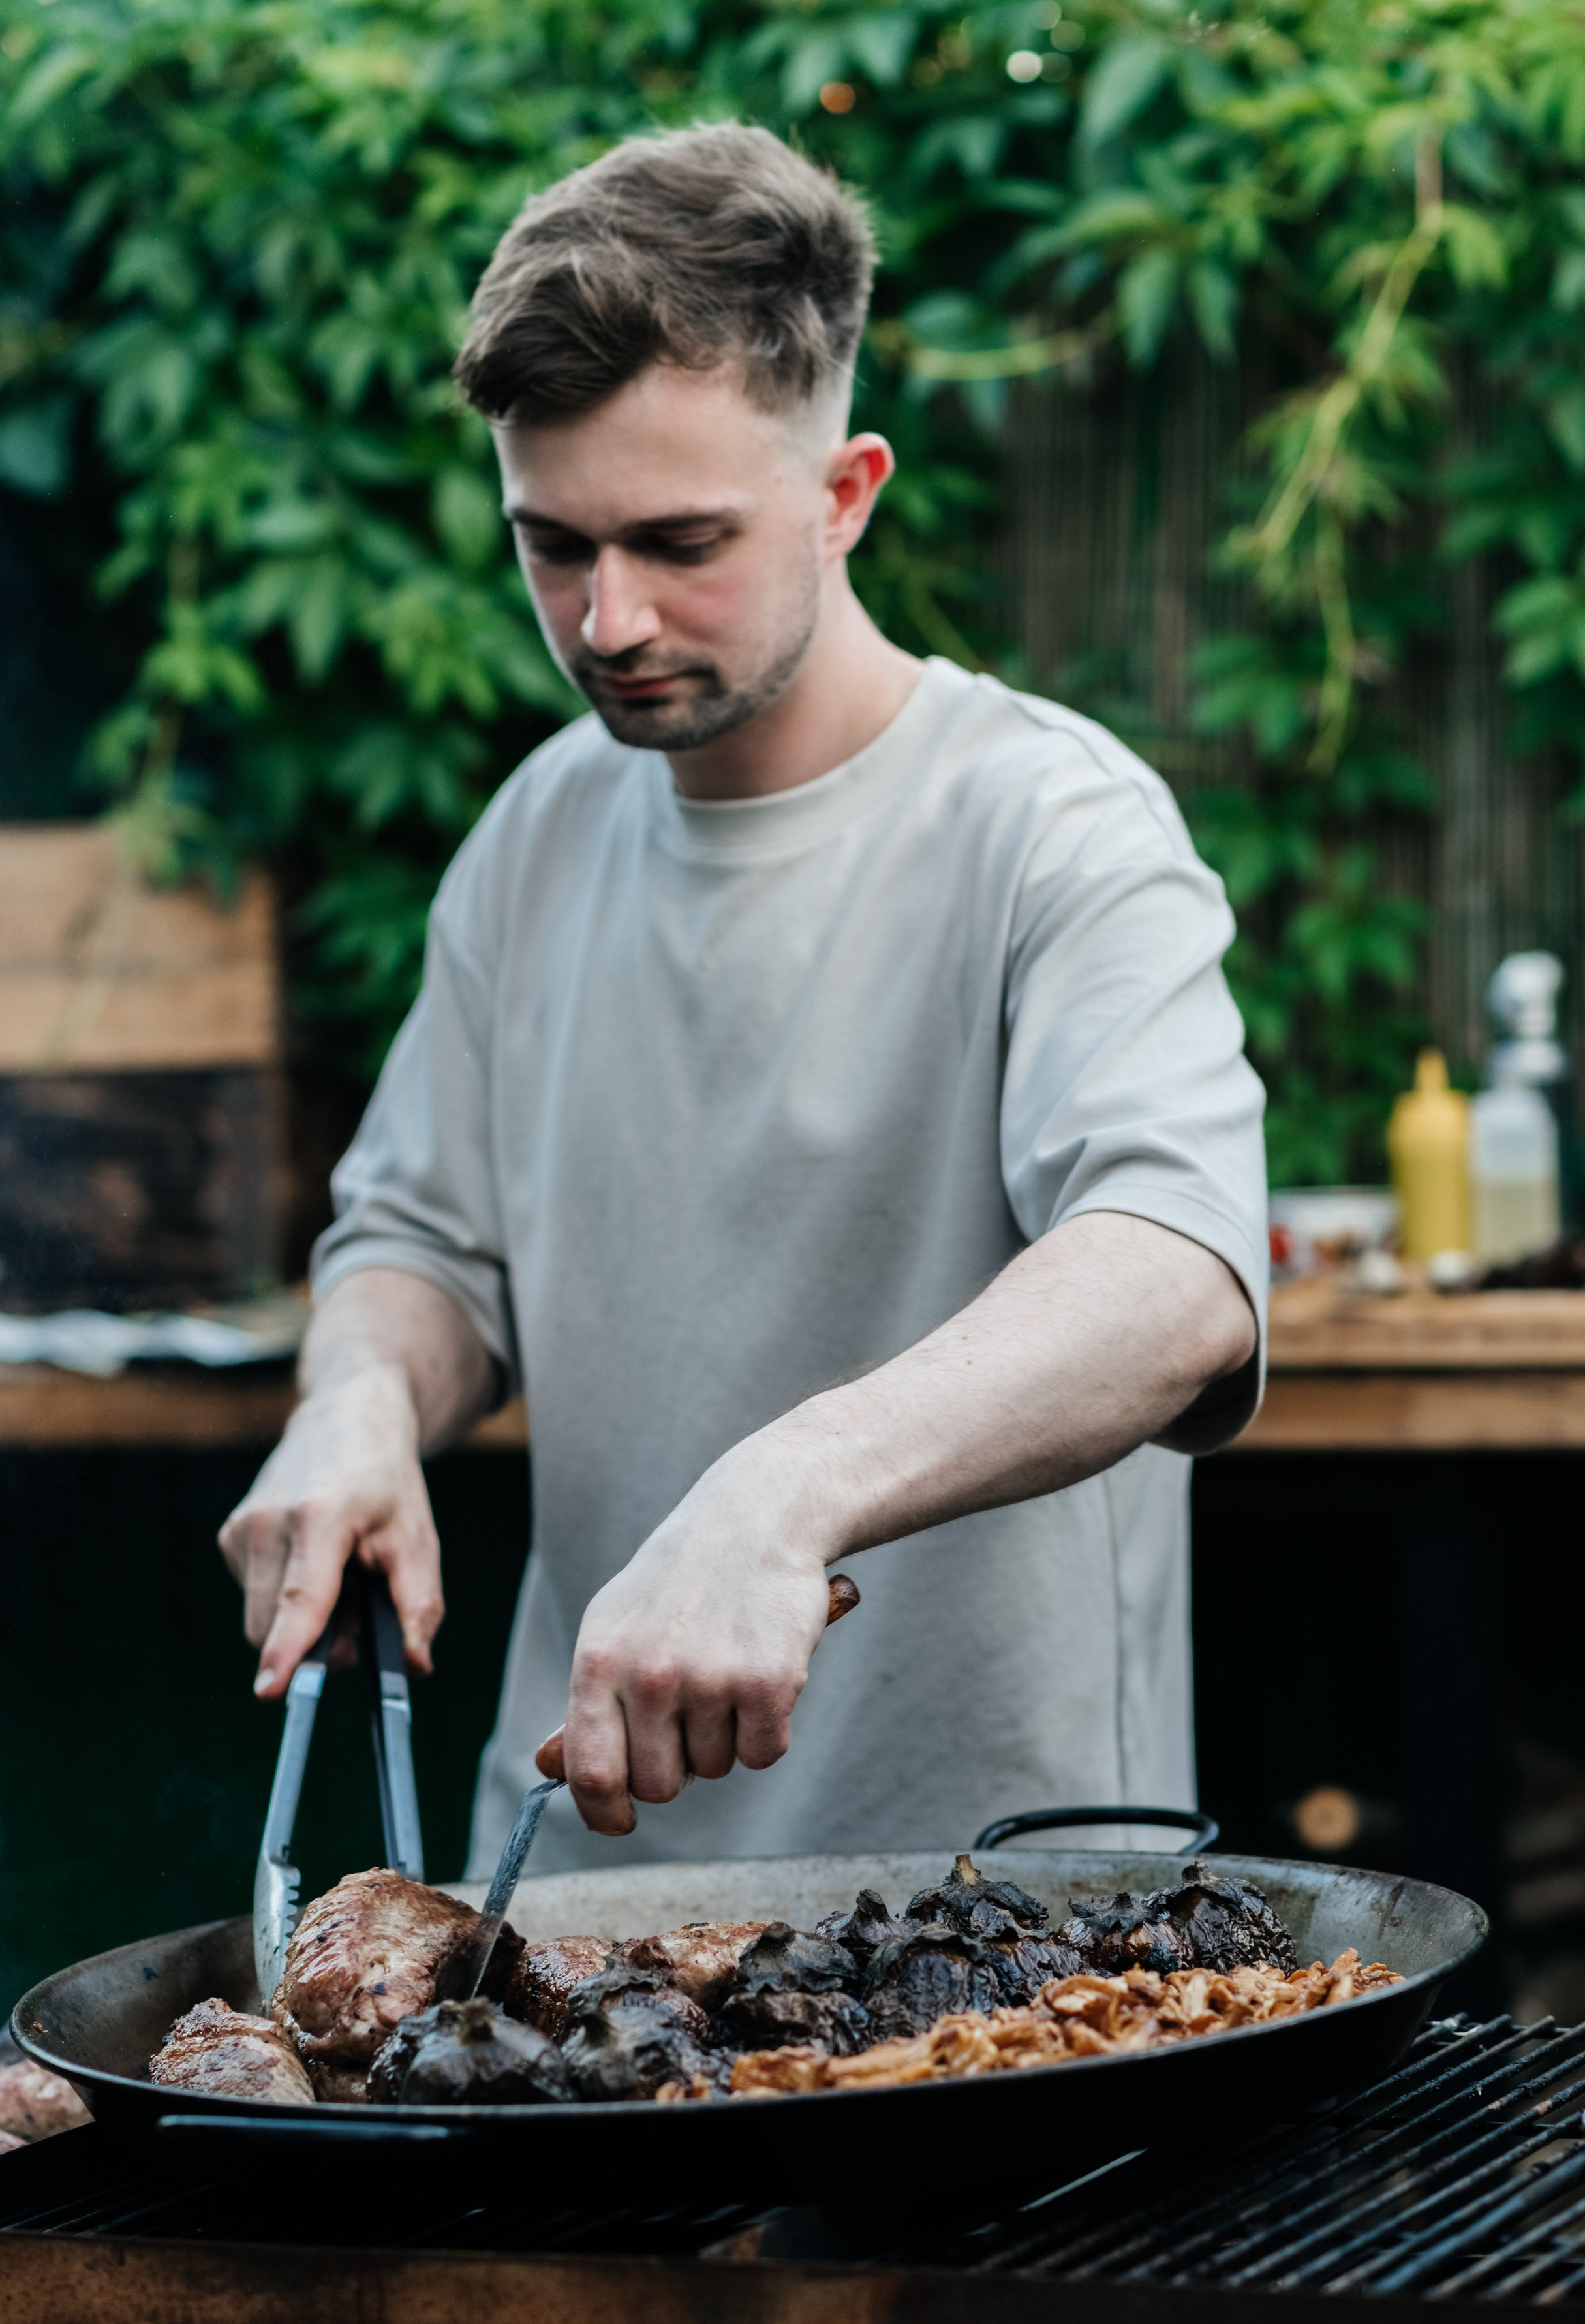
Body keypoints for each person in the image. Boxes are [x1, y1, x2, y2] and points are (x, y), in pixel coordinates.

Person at [219, 123, 1266, 1879]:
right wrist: (361, 1400)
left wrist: (783, 1488)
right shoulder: (540, 829)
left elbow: (1178, 1269)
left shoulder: (1051, 823)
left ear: (847, 489)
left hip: (1001, 1934)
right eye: (552, 545)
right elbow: (421, 1243)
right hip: (563, 1920)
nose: (606, 617)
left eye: (677, 539)